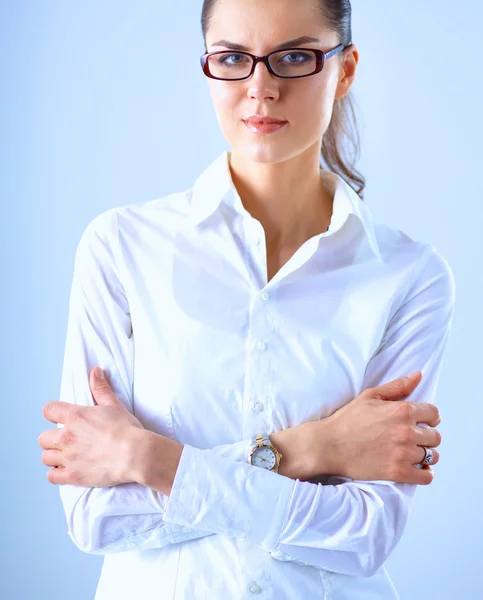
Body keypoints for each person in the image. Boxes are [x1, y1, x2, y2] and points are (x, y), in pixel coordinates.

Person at [38, 0, 455, 598]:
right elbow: (97, 518)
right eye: (233, 58)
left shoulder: (410, 276)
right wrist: (310, 449)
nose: (260, 89)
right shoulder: (121, 248)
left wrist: (149, 460)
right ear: (207, 67)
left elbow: (366, 536)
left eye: (294, 57)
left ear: (346, 68)